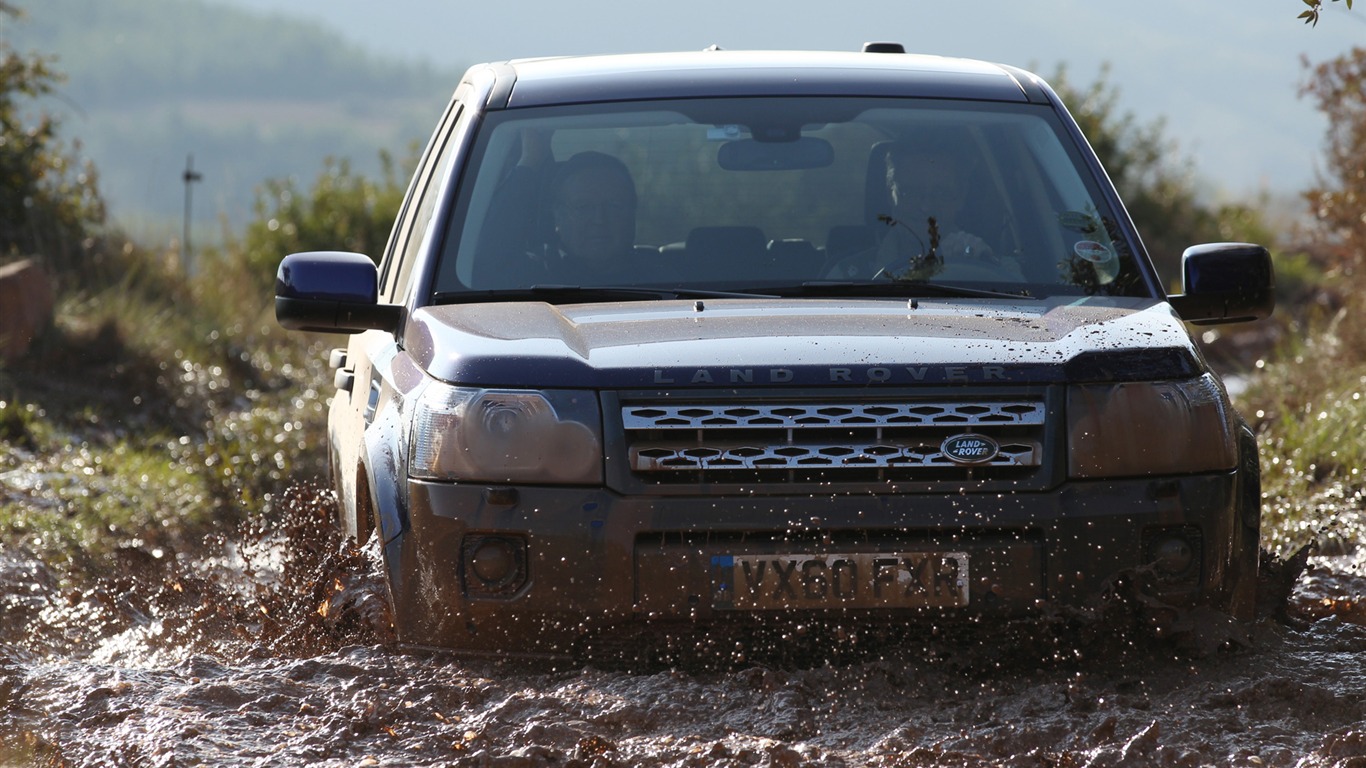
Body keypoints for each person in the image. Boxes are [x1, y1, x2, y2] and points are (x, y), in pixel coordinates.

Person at [541, 151, 640, 283]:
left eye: (613, 206)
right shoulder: (531, 282)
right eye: (583, 207)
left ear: (632, 212)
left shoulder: (668, 287)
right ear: (558, 215)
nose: (599, 220)